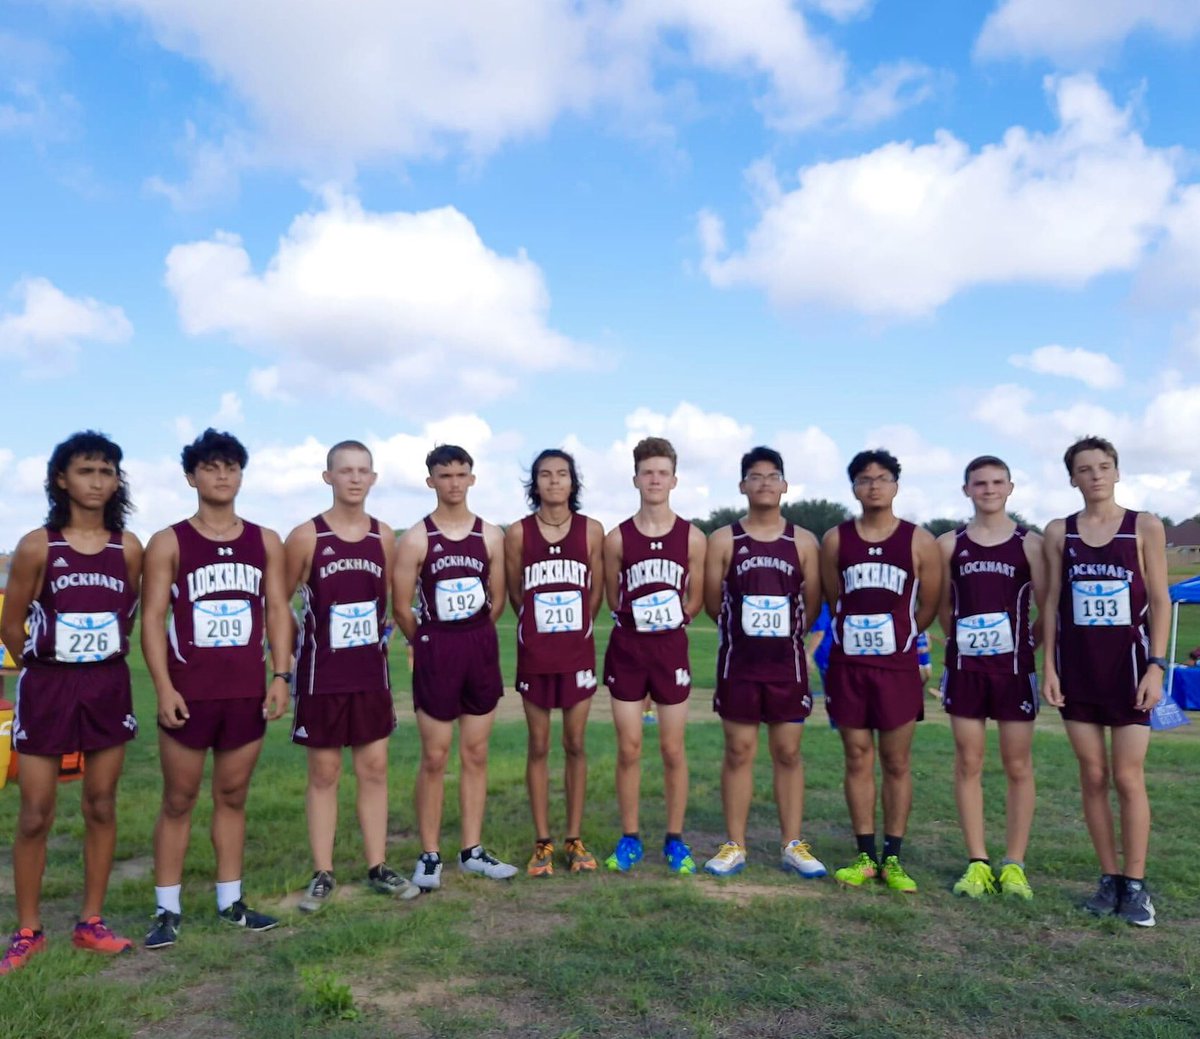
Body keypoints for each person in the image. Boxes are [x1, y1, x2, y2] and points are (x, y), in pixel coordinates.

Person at [141, 429, 292, 949]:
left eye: (230, 466)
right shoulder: (168, 541)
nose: (222, 475)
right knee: (179, 800)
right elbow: (153, 618)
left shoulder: (264, 540)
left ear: (241, 475)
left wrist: (280, 674)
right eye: (210, 467)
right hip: (189, 693)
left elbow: (277, 610)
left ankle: (231, 901)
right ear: (191, 477)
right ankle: (167, 909)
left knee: (232, 796)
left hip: (245, 692)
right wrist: (163, 688)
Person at [0, 433, 142, 974]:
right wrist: (44, 665)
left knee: (101, 803)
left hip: (107, 687)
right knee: (36, 811)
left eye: (106, 472)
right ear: (62, 478)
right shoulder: (40, 544)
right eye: (86, 471)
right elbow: (12, 623)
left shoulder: (127, 547)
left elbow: (127, 611)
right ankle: (29, 929)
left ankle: (91, 921)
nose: (97, 482)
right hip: (48, 688)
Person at [1042, 436, 1170, 927]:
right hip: (1077, 671)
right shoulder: (1060, 532)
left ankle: (1136, 886)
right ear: (1072, 477)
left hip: (1130, 669)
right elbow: (1052, 603)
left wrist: (1156, 665)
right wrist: (1050, 668)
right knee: (1092, 777)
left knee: (1127, 776)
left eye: (1103, 466)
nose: (1095, 475)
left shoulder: (1145, 526)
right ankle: (1109, 877)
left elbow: (1159, 600)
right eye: (1084, 468)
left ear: (1116, 472)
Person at [286, 441, 418, 911]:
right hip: (321, 676)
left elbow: (386, 598)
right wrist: (284, 661)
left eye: (363, 471)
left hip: (370, 673)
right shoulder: (306, 536)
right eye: (345, 471)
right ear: (329, 477)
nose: (355, 478)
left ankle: (378, 865)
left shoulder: (384, 535)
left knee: (375, 769)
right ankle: (322, 872)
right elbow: (279, 602)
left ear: (374, 478)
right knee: (324, 772)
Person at [393, 445, 515, 890]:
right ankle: (429, 855)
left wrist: (475, 635)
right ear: (431, 481)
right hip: (437, 648)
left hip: (479, 646)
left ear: (473, 479)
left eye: (462, 474)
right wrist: (424, 641)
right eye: (445, 476)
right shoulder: (416, 538)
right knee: (435, 755)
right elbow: (401, 606)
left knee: (476, 753)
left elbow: (497, 599)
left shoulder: (491, 535)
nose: (454, 483)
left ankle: (472, 850)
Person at [701, 447, 826, 879]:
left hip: (786, 668)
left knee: (788, 752)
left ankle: (793, 843)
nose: (765, 483)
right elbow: (712, 604)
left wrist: (784, 636)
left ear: (785, 485)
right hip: (739, 665)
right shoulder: (724, 540)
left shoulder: (804, 541)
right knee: (738, 751)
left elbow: (811, 607)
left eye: (773, 476)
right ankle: (735, 844)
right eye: (755, 477)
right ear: (742, 486)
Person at [821, 449, 940, 893]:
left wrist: (904, 637)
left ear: (896, 485)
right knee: (856, 757)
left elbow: (929, 603)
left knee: (896, 760)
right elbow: (834, 596)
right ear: (854, 487)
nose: (874, 485)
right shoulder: (836, 539)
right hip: (850, 666)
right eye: (865, 479)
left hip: (896, 667)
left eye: (883, 478)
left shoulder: (918, 540)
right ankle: (865, 854)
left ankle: (894, 856)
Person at [937, 456, 1045, 899]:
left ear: (1011, 487)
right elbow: (942, 604)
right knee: (969, 762)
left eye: (997, 482)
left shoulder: (1031, 544)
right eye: (979, 483)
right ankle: (977, 861)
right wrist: (958, 640)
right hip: (965, 671)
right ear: (966, 490)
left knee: (1018, 765)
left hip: (1015, 671)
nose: (988, 489)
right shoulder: (948, 544)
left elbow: (1047, 607)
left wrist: (1029, 645)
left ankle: (1014, 863)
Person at [602, 437, 706, 874]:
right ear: (635, 479)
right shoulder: (616, 538)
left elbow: (695, 599)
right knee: (628, 748)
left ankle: (675, 839)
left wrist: (671, 616)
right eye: (648, 472)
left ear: (674, 479)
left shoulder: (693, 537)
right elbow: (611, 595)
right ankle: (629, 838)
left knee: (671, 748)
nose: (655, 480)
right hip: (628, 648)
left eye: (662, 472)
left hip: (670, 650)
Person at [505, 449, 605, 876]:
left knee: (576, 744)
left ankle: (574, 838)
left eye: (562, 474)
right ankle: (543, 841)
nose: (554, 482)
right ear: (535, 483)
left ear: (573, 482)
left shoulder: (592, 531)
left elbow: (596, 592)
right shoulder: (517, 533)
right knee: (540, 745)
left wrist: (577, 627)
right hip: (535, 654)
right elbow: (515, 593)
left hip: (577, 653)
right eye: (545, 475)